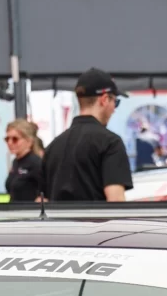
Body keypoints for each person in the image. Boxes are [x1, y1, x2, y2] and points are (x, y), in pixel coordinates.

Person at [42, 68, 132, 201]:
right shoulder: (110, 143)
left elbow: (44, 201)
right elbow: (116, 203)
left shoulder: (53, 147)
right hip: (96, 221)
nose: (114, 109)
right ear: (104, 99)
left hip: (59, 222)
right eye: (115, 102)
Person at [4, 119, 44, 202]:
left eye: (15, 139)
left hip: (29, 213)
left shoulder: (36, 163)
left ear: (29, 141)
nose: (10, 143)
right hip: (14, 212)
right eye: (7, 139)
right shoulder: (16, 162)